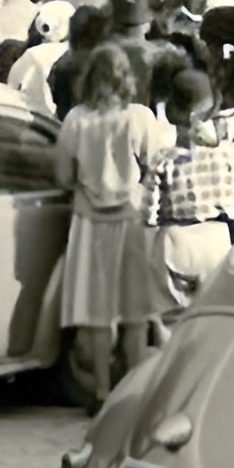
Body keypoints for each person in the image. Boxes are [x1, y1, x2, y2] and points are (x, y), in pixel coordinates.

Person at [55, 45, 172, 406]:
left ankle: (103, 390)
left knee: (97, 314)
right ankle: (134, 394)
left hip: (89, 223)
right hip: (131, 220)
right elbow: (158, 163)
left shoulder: (76, 119)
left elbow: (62, 175)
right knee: (135, 312)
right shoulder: (138, 117)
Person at [143, 70, 234, 311]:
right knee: (214, 316)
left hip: (174, 243)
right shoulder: (231, 153)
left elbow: (147, 215)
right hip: (216, 241)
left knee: (169, 320)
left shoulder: (163, 160)